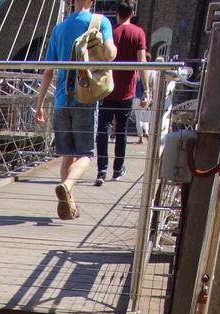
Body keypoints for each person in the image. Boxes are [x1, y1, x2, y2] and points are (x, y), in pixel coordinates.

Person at [35, 1, 116, 220]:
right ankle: (67, 185)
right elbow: (110, 54)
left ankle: (69, 205)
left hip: (61, 101)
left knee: (67, 156)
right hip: (85, 98)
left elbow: (48, 72)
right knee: (86, 155)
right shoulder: (100, 22)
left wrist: (40, 104)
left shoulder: (58, 29)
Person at [95, 3, 150, 184]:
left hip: (107, 89)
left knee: (103, 128)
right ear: (133, 13)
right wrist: (147, 91)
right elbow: (142, 62)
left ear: (117, 13)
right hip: (127, 91)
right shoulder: (138, 33)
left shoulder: (111, 33)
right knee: (121, 131)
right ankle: (118, 170)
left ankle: (101, 170)